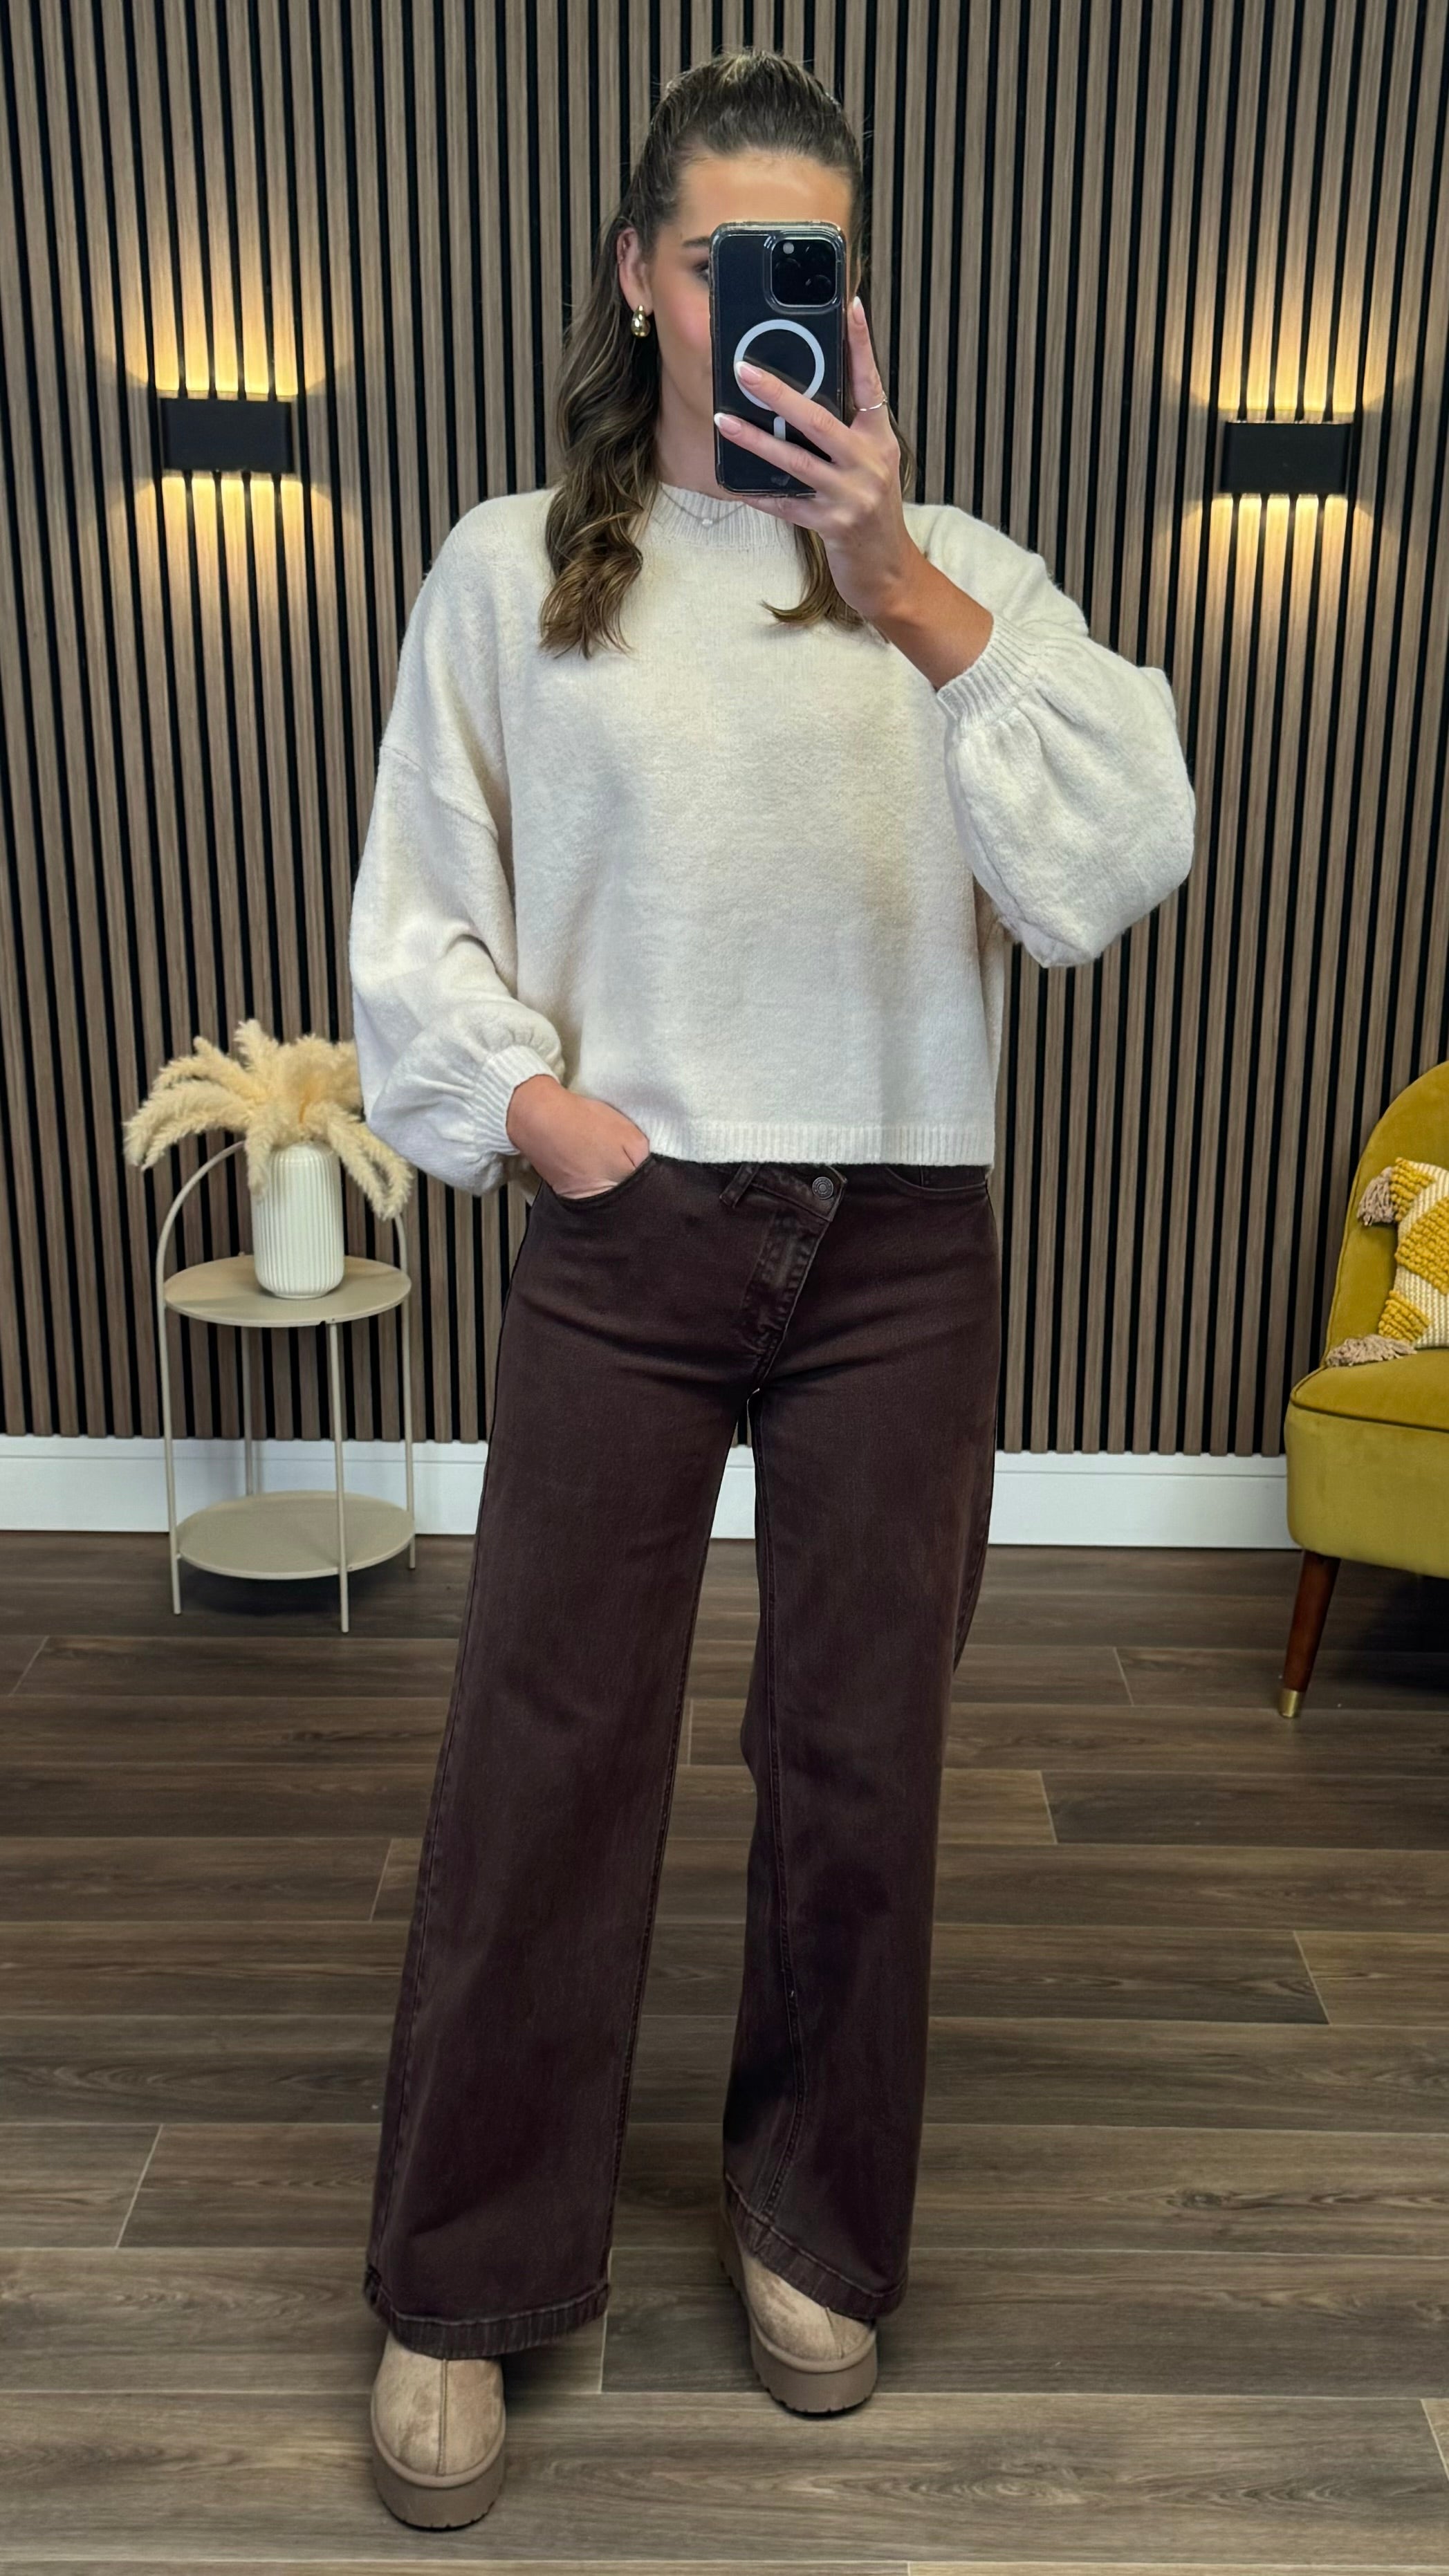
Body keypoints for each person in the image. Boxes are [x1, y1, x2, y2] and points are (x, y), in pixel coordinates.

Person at [347, 48, 1196, 2532]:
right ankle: (462, 2279)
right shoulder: (511, 571)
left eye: (804, 257)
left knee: (859, 1758)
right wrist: (538, 1115)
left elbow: (1119, 855)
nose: (759, 301)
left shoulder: (966, 579)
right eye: (723, 256)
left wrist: (902, 581)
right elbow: (419, 917)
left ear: (852, 288)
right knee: (547, 1746)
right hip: (629, 1222)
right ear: (642, 275)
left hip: (900, 1244)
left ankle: (812, 2222)